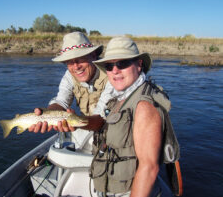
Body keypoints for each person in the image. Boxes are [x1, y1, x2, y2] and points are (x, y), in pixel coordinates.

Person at [88, 37, 180, 197]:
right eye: (109, 66)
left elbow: (149, 168)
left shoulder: (144, 105)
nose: (115, 70)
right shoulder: (121, 97)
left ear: (139, 65)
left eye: (122, 63)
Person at [29, 32, 114, 139]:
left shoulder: (112, 75)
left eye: (81, 58)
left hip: (112, 130)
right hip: (87, 126)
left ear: (93, 55)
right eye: (69, 62)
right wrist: (45, 114)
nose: (76, 67)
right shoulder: (70, 75)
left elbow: (101, 120)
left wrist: (73, 121)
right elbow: (61, 102)